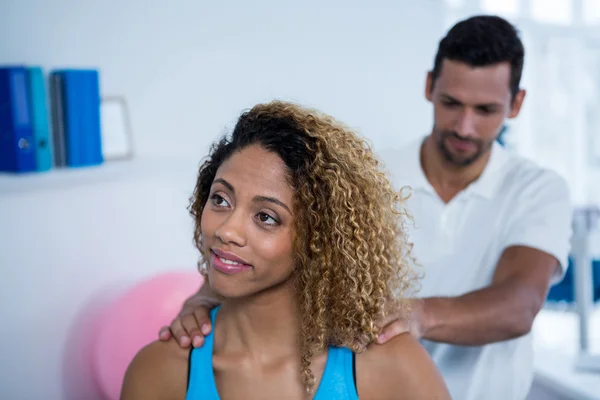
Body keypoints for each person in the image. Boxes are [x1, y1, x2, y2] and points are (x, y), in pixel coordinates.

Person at [158, 15, 573, 400]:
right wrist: (204, 298)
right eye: (451, 103)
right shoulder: (371, 179)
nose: (464, 125)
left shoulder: (537, 189)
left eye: (485, 110)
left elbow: (519, 305)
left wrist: (418, 315)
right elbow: (273, 242)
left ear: (516, 105)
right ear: (429, 86)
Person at [122, 101, 451, 399]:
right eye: (220, 199)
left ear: (320, 239)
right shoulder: (159, 372)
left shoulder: (393, 369)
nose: (226, 231)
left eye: (266, 217)